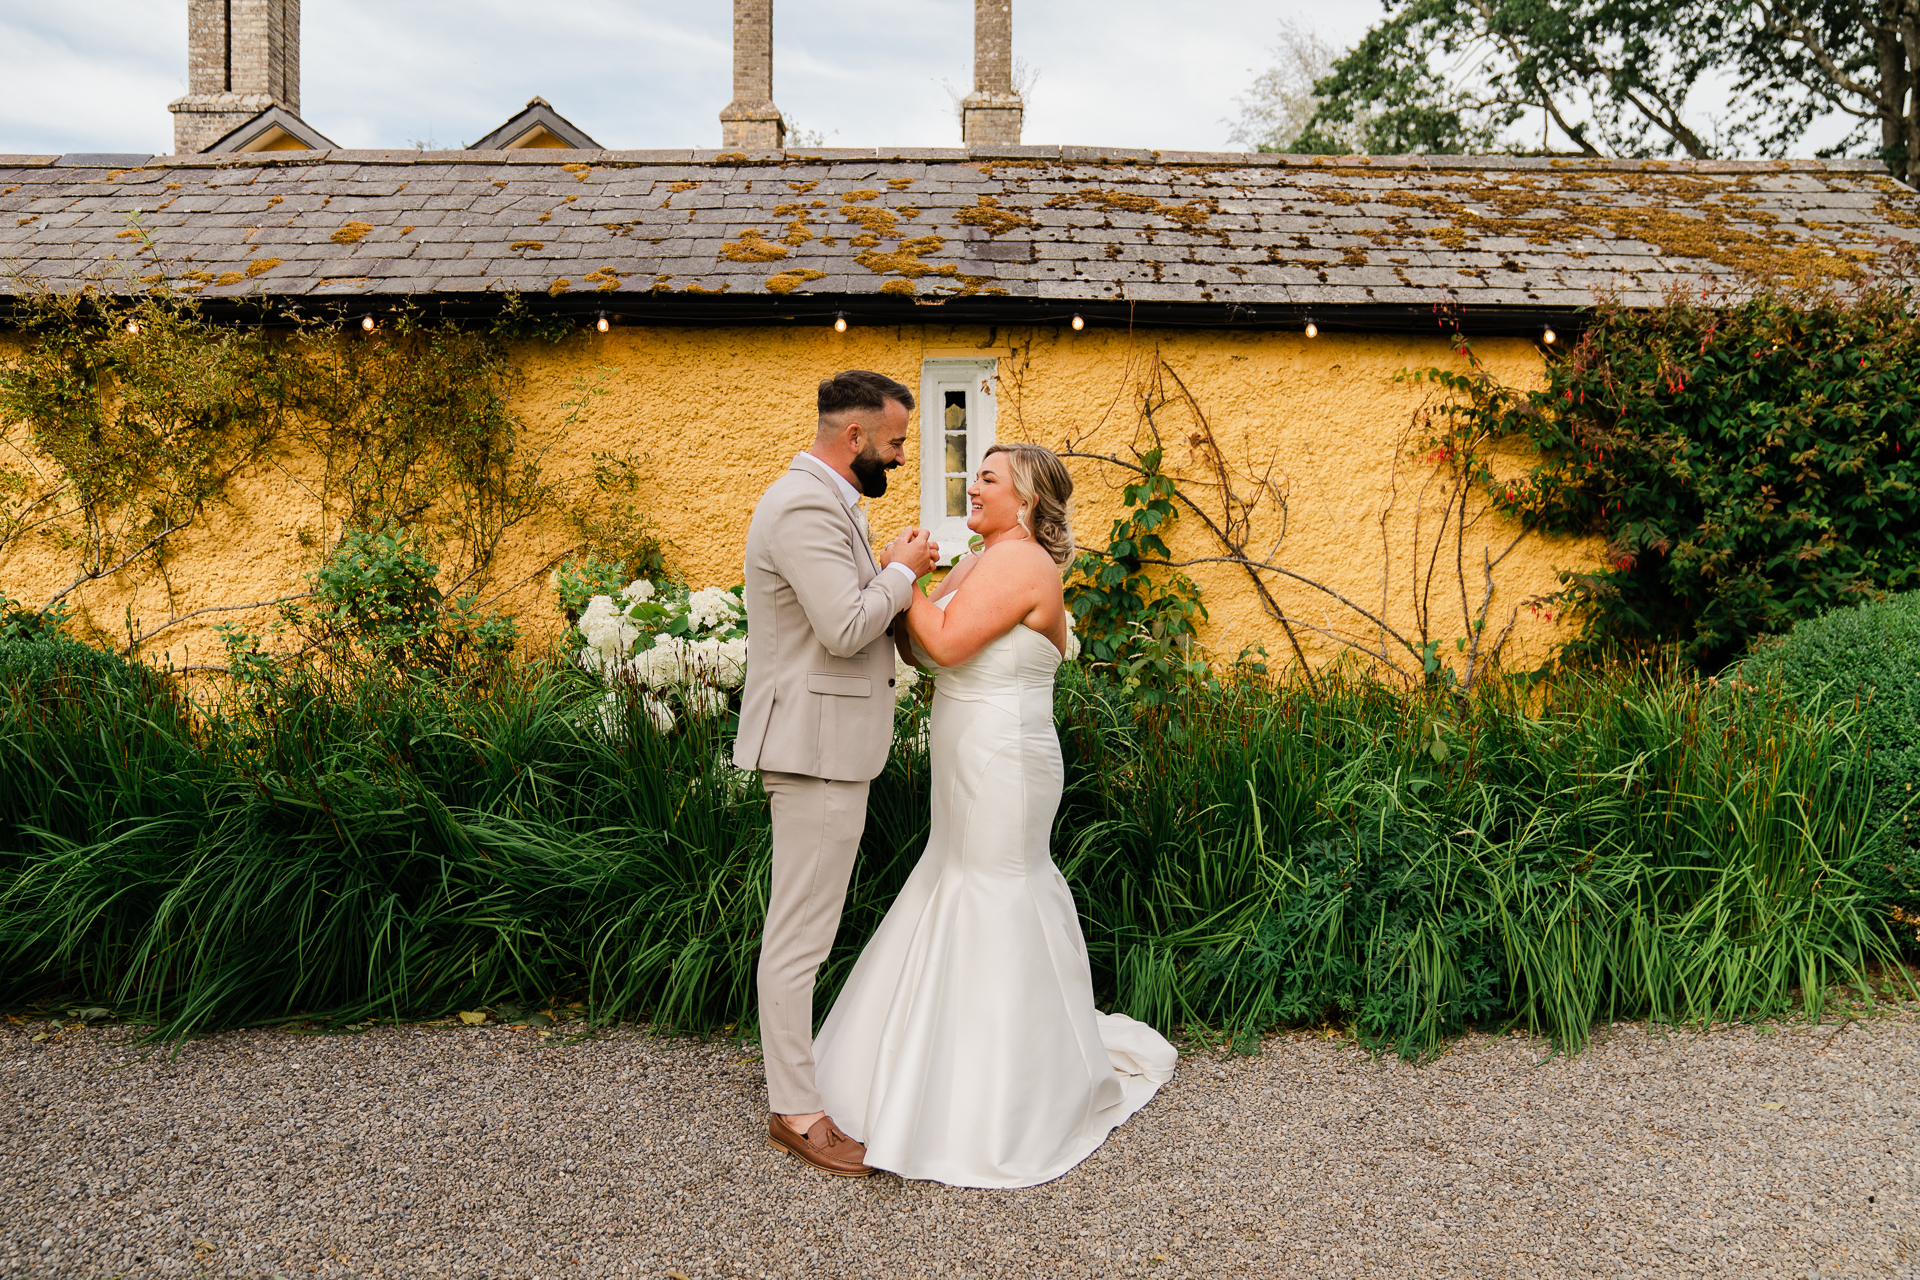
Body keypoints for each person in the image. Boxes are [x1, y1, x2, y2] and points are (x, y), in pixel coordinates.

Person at [813, 442, 1178, 1188]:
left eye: (987, 478)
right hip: (965, 750)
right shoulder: (980, 561)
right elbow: (923, 652)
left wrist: (901, 575)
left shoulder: (1021, 565)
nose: (971, 487)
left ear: (1029, 501)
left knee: (994, 887)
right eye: (973, 474)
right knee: (953, 877)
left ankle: (1004, 1095)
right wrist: (904, 591)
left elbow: (942, 644)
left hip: (1005, 759)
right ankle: (929, 1071)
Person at [734, 369, 940, 1178]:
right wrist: (903, 569)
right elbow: (849, 626)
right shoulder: (800, 506)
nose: (896, 459)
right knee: (800, 937)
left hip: (829, 746)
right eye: (892, 444)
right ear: (853, 438)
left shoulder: (829, 505)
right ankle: (796, 1110)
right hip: (813, 751)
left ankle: (797, 1092)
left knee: (804, 929)